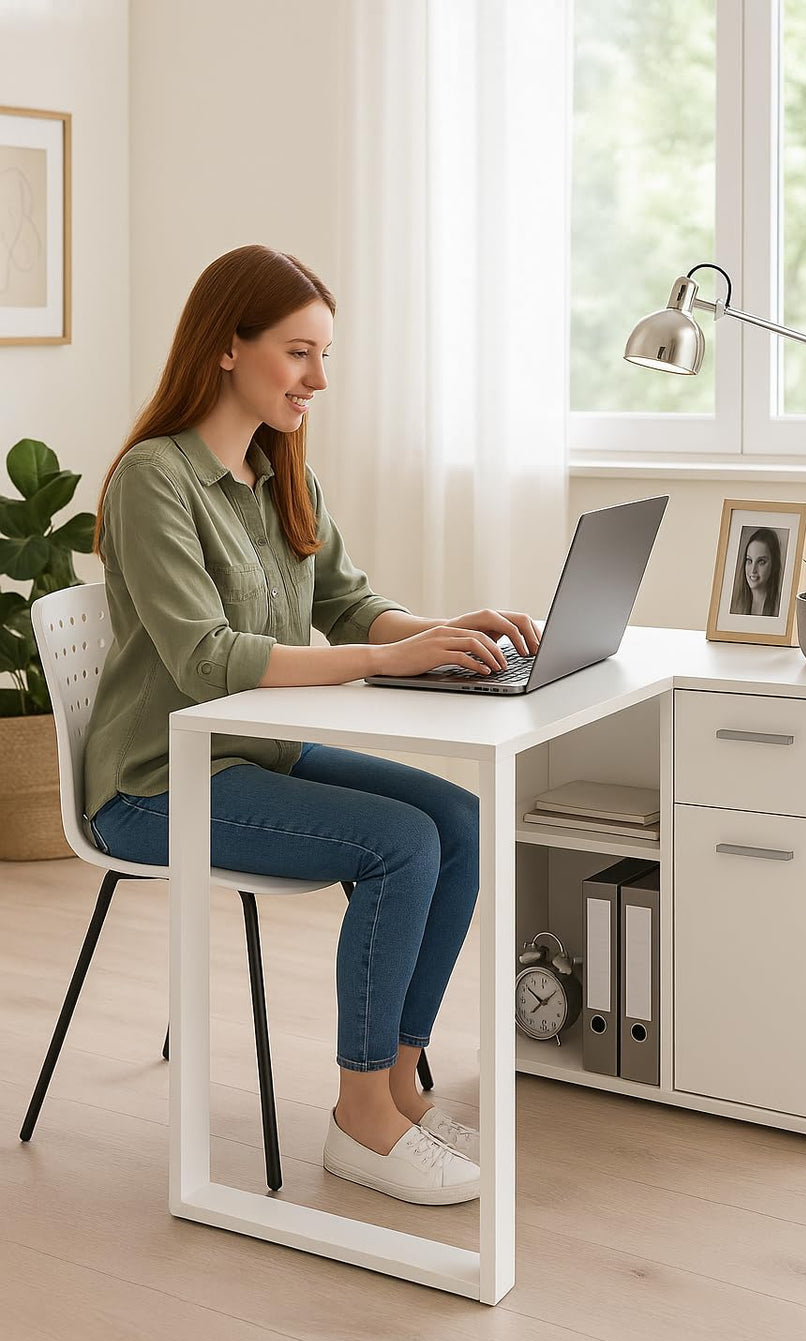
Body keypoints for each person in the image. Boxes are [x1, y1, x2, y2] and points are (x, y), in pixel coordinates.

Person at [84, 243, 542, 1207]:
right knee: (400, 844)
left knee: (455, 821)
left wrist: (451, 631)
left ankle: (399, 1081)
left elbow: (348, 601)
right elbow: (206, 659)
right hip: (157, 785)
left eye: (323, 355)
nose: (317, 380)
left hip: (258, 756)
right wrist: (386, 660)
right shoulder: (151, 482)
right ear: (226, 346)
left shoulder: (281, 472)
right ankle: (357, 1116)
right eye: (299, 354)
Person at [730, 526, 783, 617]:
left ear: (774, 565)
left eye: (761, 562)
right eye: (749, 560)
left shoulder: (781, 609)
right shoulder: (734, 606)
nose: (753, 570)